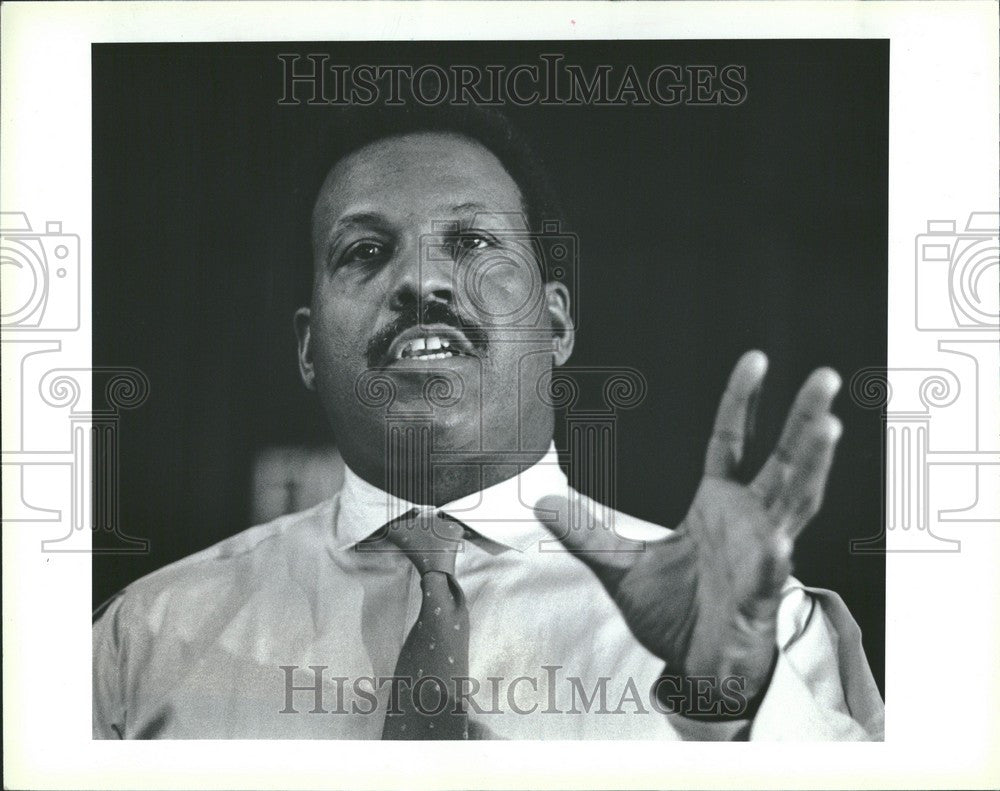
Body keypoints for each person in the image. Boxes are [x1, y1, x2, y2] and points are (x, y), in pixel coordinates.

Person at [92, 107, 884, 740]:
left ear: (558, 324)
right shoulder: (140, 642)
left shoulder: (763, 632)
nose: (423, 280)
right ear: (307, 348)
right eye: (366, 250)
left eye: (471, 242)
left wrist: (729, 698)